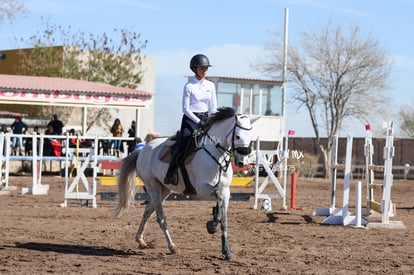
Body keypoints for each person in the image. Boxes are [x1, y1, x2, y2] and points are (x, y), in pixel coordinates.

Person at [164, 54, 217, 185]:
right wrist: (199, 122)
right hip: (190, 119)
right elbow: (185, 109)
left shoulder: (210, 85)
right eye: (202, 68)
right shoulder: (189, 86)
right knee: (183, 144)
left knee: (217, 142)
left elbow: (213, 107)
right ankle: (171, 173)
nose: (205, 71)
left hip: (206, 118)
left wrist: (212, 121)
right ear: (194, 69)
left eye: (206, 68)